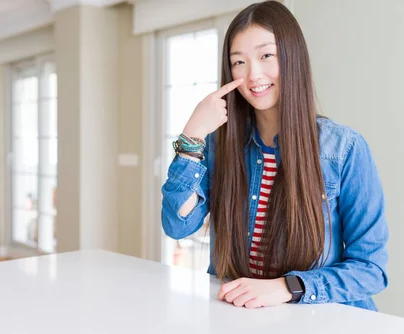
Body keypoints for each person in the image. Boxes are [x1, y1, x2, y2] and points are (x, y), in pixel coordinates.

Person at [161, 0, 388, 311]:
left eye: (266, 56)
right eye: (238, 62)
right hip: (240, 318)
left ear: (292, 57)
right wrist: (192, 136)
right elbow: (178, 225)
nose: (253, 75)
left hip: (323, 320)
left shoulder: (343, 148)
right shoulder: (218, 145)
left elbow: (371, 270)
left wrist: (286, 287)